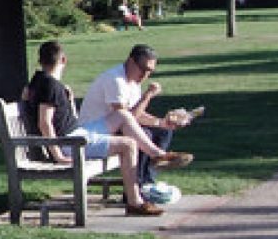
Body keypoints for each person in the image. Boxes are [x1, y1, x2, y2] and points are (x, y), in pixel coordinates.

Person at [19, 40, 158, 214]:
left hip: (77, 133)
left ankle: (156, 154)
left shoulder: (40, 81)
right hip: (70, 143)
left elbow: (34, 102)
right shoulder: (51, 86)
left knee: (122, 115)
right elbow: (44, 122)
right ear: (64, 60)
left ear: (40, 61)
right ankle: (134, 202)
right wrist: (58, 155)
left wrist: (67, 99)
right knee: (129, 144)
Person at [79, 43, 194, 214]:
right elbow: (126, 117)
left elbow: (137, 116)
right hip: (96, 132)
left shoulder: (133, 81)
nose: (145, 75)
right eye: (143, 69)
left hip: (116, 127)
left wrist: (163, 123)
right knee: (141, 136)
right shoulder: (115, 80)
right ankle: (138, 187)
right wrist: (148, 95)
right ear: (131, 61)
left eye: (150, 72)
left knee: (162, 131)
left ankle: (147, 181)